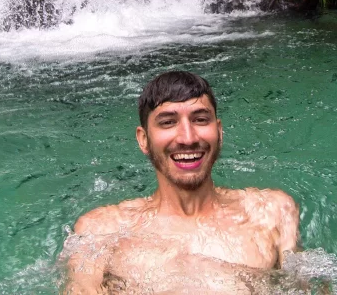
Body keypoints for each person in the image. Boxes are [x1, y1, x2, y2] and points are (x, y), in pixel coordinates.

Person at [62, 71, 301, 294]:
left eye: (200, 119)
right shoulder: (101, 232)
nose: (188, 138)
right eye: (168, 122)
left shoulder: (272, 212)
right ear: (144, 139)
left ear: (219, 132)